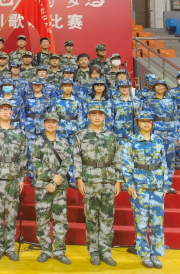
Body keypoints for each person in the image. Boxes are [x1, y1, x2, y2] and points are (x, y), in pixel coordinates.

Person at [73, 104, 123, 267]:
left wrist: (118, 180)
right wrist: (79, 178)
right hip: (89, 181)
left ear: (104, 117)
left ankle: (106, 252)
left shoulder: (111, 136)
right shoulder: (81, 136)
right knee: (92, 219)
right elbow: (77, 158)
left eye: (100, 114)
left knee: (107, 218)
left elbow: (117, 159)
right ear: (88, 116)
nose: (97, 117)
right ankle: (94, 252)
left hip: (108, 181)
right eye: (93, 114)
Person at [0, 100, 28, 262]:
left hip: (13, 179)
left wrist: (22, 179)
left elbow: (23, 158)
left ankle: (10, 247)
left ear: (12, 112)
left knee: (11, 215)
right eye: (2, 109)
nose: (5, 112)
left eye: (8, 109)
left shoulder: (20, 133)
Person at [122, 111, 168, 269]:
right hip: (139, 187)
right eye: (143, 121)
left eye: (149, 121)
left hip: (156, 187)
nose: (147, 123)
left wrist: (165, 185)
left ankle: (156, 254)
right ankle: (144, 254)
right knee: (141, 223)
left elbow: (164, 163)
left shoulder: (158, 140)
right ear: (137, 123)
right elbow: (126, 164)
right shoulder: (131, 141)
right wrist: (129, 184)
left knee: (157, 223)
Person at [31, 113, 72, 265]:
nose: (50, 124)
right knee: (42, 219)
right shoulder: (37, 142)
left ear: (58, 125)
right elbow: (36, 163)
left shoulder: (64, 143)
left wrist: (55, 181)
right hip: (42, 186)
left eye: (53, 122)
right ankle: (46, 250)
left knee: (60, 219)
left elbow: (66, 164)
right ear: (44, 124)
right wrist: (51, 178)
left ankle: (60, 251)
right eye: (47, 122)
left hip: (59, 187)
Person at [143, 79, 180, 193]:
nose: (159, 87)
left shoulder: (171, 101)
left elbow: (176, 119)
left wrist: (178, 136)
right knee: (155, 158)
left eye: (162, 86)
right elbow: (145, 119)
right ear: (154, 87)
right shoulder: (149, 101)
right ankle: (156, 184)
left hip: (170, 133)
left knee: (170, 159)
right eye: (157, 85)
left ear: (165, 88)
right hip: (155, 132)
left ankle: (168, 185)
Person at [24, 76, 53, 177]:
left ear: (42, 85)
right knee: (31, 150)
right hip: (30, 127)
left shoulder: (47, 99)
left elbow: (50, 113)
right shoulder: (28, 98)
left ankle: (43, 173)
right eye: (35, 85)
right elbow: (25, 112)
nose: (36, 86)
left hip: (43, 126)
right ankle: (32, 174)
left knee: (44, 149)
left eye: (39, 85)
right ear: (32, 85)